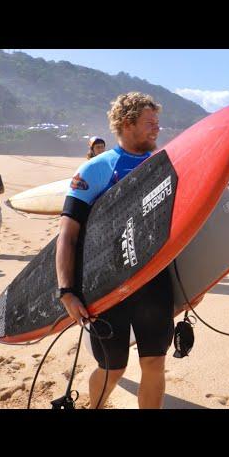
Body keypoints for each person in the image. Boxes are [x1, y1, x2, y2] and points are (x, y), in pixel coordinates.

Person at [56, 92, 173, 409]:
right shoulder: (96, 169)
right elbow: (67, 234)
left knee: (154, 364)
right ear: (127, 124)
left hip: (155, 284)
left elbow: (179, 227)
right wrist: (67, 291)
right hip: (106, 287)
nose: (156, 129)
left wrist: (198, 282)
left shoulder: (165, 165)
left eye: (157, 123)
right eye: (149, 123)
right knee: (113, 367)